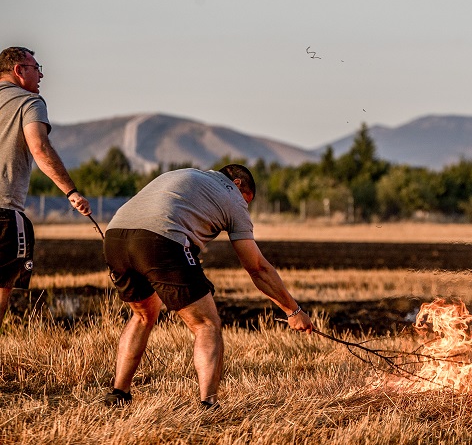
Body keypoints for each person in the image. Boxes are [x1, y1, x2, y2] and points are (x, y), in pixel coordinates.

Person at [102, 164, 313, 408]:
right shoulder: (232, 196)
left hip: (115, 237)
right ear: (238, 184)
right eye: (247, 201)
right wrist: (293, 311)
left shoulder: (184, 175)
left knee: (142, 316)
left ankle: (119, 393)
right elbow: (257, 267)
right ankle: (209, 405)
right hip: (161, 240)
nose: (245, 208)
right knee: (206, 324)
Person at [0, 46, 91, 323]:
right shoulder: (29, 102)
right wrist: (71, 192)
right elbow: (39, 147)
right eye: (36, 68)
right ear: (19, 70)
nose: (40, 75)